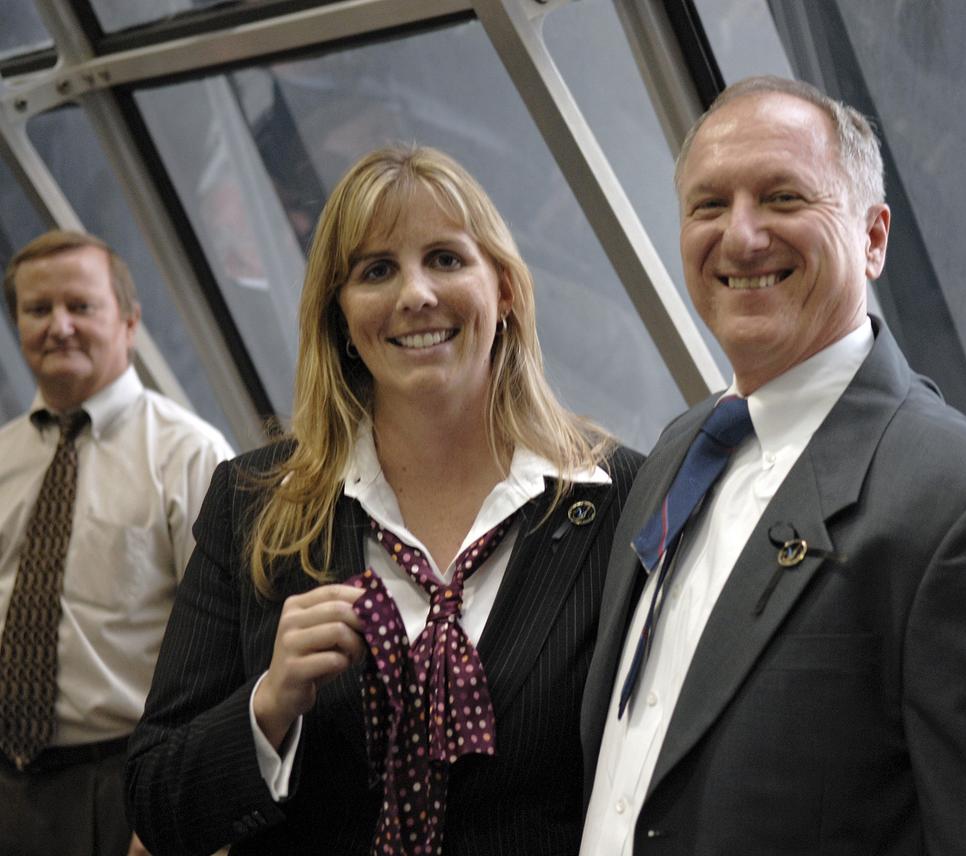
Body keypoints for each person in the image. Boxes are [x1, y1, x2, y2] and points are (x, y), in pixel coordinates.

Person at [580, 76, 966, 854]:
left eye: (782, 198)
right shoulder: (678, 450)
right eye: (709, 206)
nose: (740, 237)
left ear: (873, 239)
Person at [125, 145, 643, 856]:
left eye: (446, 259)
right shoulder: (253, 504)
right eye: (376, 271)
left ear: (505, 290)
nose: (416, 295)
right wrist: (268, 705)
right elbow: (157, 801)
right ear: (339, 315)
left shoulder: (620, 502)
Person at [0, 230, 234, 856]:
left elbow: (230, 647)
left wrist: (189, 804)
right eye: (37, 309)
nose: (59, 326)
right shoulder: (2, 458)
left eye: (80, 306)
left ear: (129, 322)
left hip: (130, 785)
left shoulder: (191, 455)